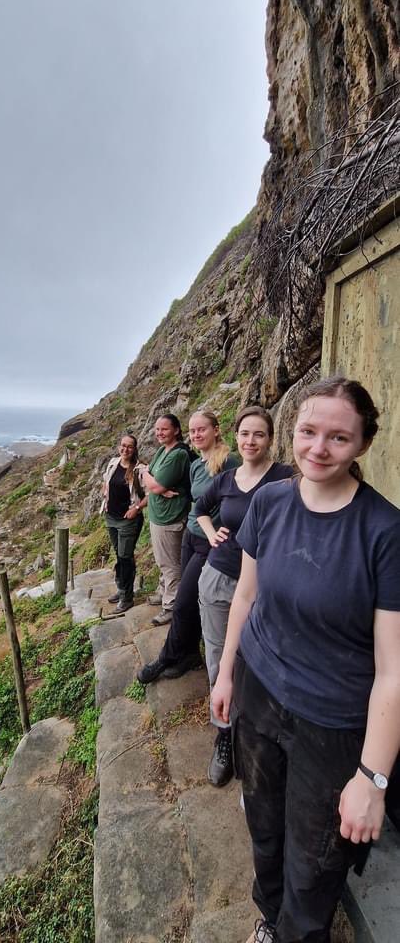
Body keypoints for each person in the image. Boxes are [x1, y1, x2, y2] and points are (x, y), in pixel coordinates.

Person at [212, 376, 400, 943]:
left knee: (316, 861)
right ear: (291, 432)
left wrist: (372, 778)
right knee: (264, 827)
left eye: (338, 439)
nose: (318, 449)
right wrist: (225, 672)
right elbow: (246, 596)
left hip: (333, 726)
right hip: (258, 695)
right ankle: (269, 921)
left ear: (363, 444)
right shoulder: (268, 501)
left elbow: (393, 670)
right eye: (308, 432)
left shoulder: (385, 532)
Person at [195, 406, 293, 787]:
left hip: (266, 585)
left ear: (271, 439)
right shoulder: (227, 478)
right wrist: (209, 531)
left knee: (260, 659)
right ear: (235, 437)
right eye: (245, 434)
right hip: (219, 579)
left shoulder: (285, 478)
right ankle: (224, 737)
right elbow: (201, 508)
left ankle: (256, 733)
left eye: (259, 435)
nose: (250, 441)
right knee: (219, 657)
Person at [138, 409, 237, 684]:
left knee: (181, 602)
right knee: (189, 598)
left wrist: (232, 526)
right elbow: (195, 499)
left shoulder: (229, 462)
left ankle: (166, 657)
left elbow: (245, 493)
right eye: (193, 431)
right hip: (190, 536)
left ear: (216, 430)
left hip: (210, 541)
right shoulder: (195, 465)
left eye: (201, 429)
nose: (196, 435)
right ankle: (190, 653)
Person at [143, 414, 193, 625]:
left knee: (171, 564)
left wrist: (155, 486)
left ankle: (171, 607)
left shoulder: (178, 454)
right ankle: (163, 592)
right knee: (163, 561)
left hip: (170, 518)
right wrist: (154, 484)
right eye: (157, 429)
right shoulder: (163, 451)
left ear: (176, 430)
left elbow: (153, 484)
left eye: (164, 429)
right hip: (159, 516)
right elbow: (147, 475)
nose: (159, 433)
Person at [101, 433, 146, 612]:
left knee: (125, 558)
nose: (125, 449)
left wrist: (136, 509)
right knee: (119, 556)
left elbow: (150, 494)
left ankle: (127, 598)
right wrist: (106, 497)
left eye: (129, 446)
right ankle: (122, 590)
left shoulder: (139, 469)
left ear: (134, 449)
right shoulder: (113, 462)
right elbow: (106, 482)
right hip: (111, 518)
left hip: (128, 521)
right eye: (123, 445)